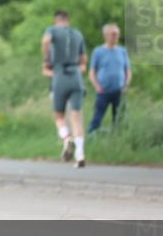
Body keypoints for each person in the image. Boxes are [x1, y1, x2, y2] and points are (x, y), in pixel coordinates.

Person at [42, 10, 88, 168]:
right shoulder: (78, 34)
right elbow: (83, 62)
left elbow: (46, 41)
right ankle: (80, 154)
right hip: (76, 76)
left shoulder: (52, 30)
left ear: (56, 21)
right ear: (67, 20)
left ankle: (67, 139)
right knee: (77, 118)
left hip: (59, 75)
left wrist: (46, 58)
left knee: (59, 116)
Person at [88, 22, 131, 134]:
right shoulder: (98, 51)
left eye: (117, 34)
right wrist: (97, 86)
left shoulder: (123, 51)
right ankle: (91, 137)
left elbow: (128, 70)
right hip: (104, 90)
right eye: (113, 34)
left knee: (120, 118)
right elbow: (92, 72)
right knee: (97, 117)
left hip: (119, 90)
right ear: (106, 35)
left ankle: (118, 138)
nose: (116, 36)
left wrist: (126, 85)